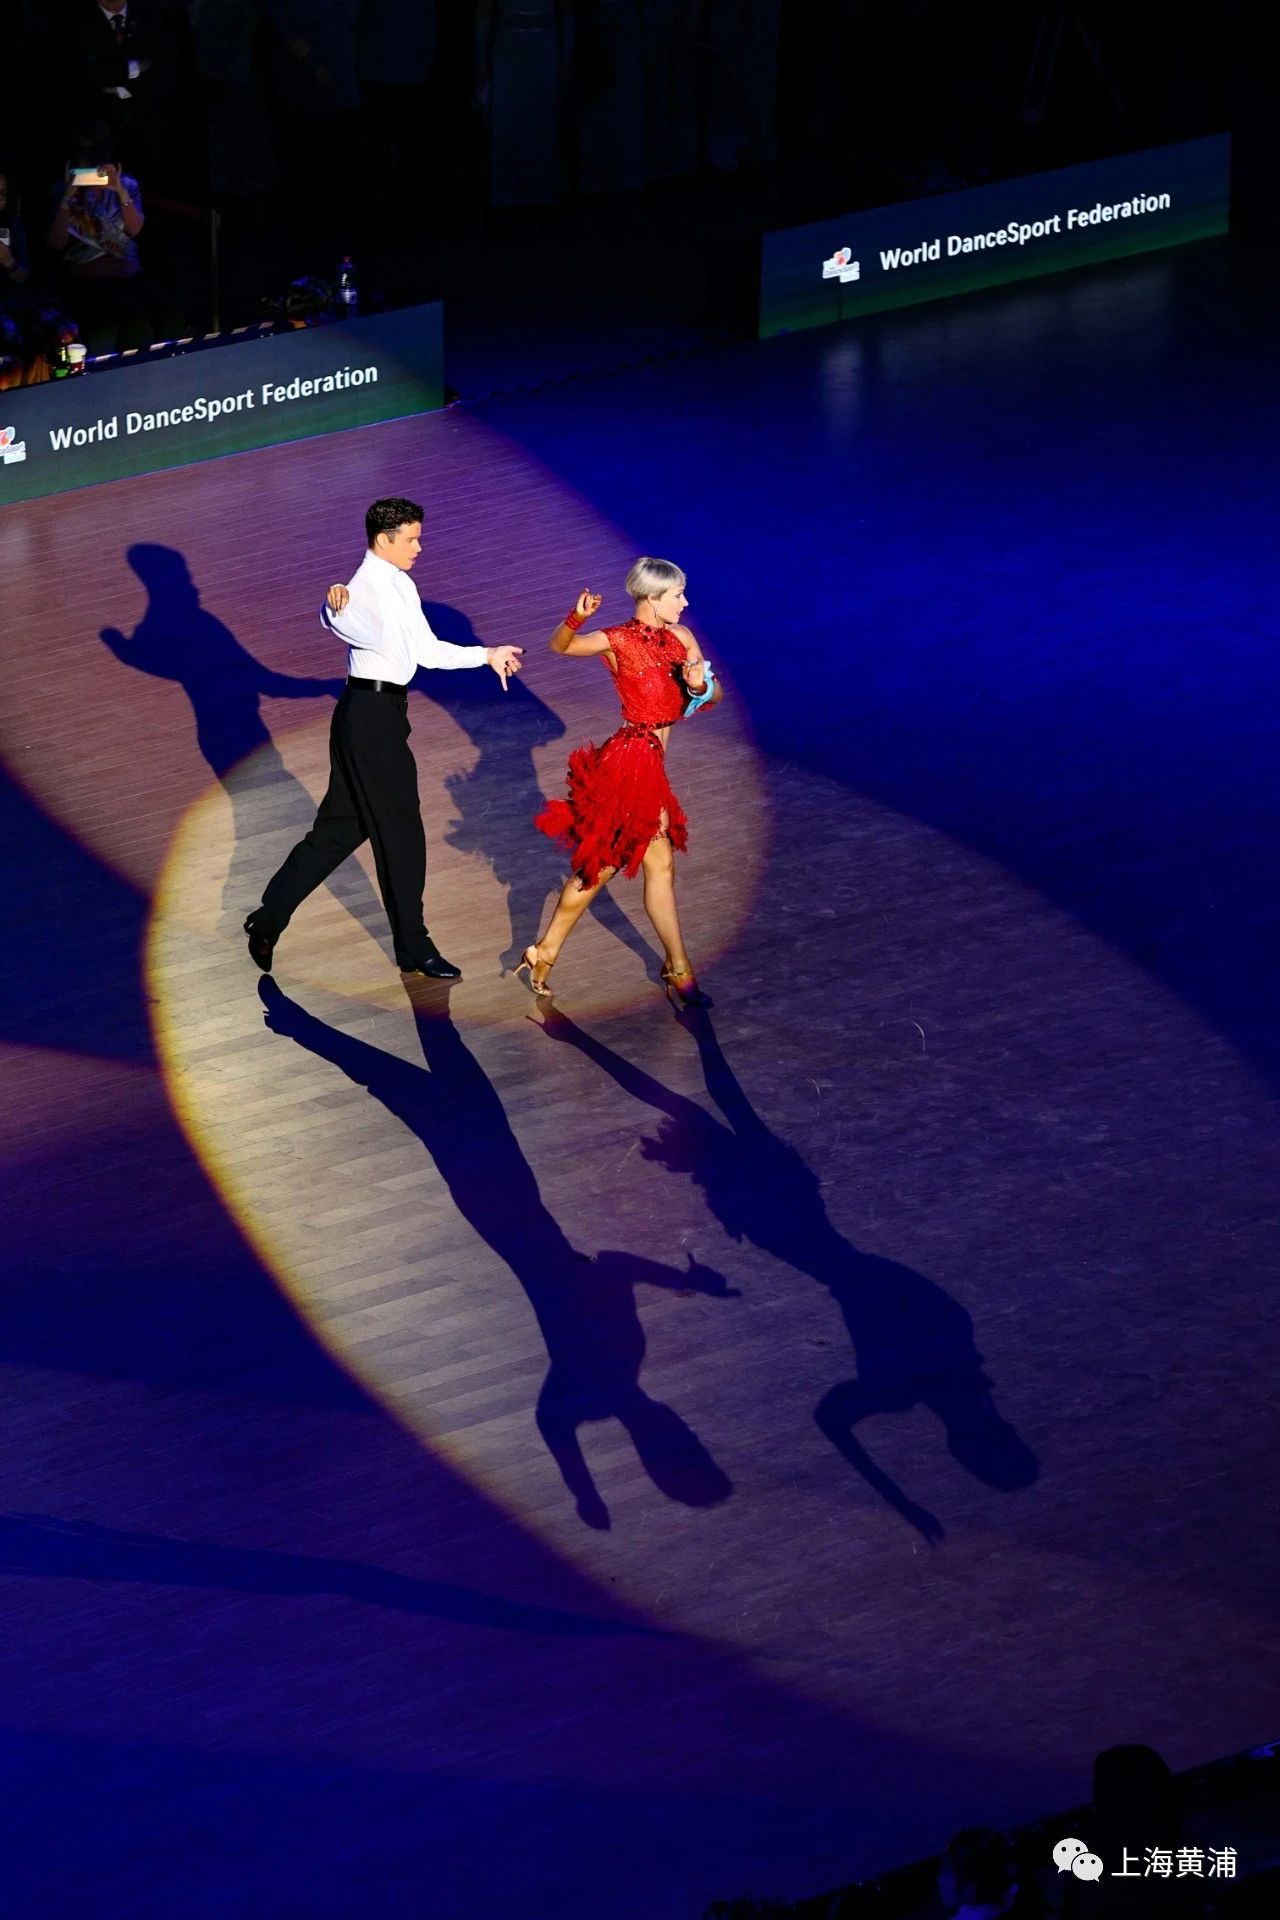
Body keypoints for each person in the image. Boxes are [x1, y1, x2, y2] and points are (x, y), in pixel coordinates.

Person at [245, 497, 523, 980]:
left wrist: (486, 654)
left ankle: (268, 918)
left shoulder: (401, 583)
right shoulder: (359, 589)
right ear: (383, 539)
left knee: (340, 829)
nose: (419, 546)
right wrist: (332, 606)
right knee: (402, 833)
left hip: (379, 715)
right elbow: (343, 618)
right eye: (411, 539)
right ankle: (415, 946)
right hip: (370, 718)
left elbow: (426, 651)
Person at [521, 556, 721, 1009]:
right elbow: (562, 646)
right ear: (652, 598)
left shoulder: (682, 638)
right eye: (677, 595)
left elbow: (714, 696)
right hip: (630, 763)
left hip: (650, 765)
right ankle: (678, 969)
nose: (685, 603)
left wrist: (697, 686)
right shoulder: (617, 640)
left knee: (616, 865)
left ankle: (545, 951)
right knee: (641, 864)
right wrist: (575, 618)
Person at [46, 130, 151, 350]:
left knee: (139, 330)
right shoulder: (63, 190)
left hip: (126, 275)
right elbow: (56, 242)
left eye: (97, 165)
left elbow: (135, 229)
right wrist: (67, 198)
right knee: (102, 332)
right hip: (86, 278)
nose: (92, 173)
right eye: (85, 166)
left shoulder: (127, 186)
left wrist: (120, 192)